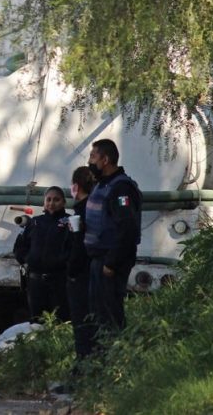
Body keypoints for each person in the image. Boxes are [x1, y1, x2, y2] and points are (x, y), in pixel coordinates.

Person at [84, 139, 142, 334]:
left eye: (93, 157)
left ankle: (116, 348)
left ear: (105, 160)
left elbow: (127, 228)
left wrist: (112, 262)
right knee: (98, 312)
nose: (90, 162)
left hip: (109, 261)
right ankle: (101, 349)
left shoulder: (121, 188)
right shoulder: (102, 184)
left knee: (110, 314)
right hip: (98, 259)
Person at [13, 186, 71, 322]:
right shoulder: (35, 222)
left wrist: (64, 263)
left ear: (63, 202)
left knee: (60, 322)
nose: (51, 203)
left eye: (56, 200)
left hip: (59, 282)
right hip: (36, 282)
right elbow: (20, 247)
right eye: (48, 200)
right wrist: (27, 260)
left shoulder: (69, 222)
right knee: (37, 322)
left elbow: (74, 248)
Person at [64, 166, 98, 360]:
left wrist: (71, 269)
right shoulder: (97, 206)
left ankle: (84, 362)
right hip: (94, 269)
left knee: (82, 323)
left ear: (75, 187)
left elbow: (78, 245)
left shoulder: (81, 211)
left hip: (81, 274)